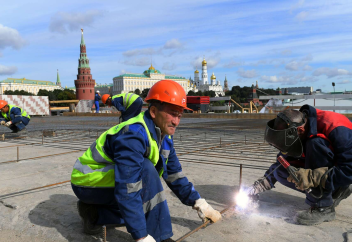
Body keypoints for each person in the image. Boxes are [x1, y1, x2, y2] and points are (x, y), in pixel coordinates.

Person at [71, 80, 221, 242]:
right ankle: (161, 237)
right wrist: (141, 236)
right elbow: (128, 187)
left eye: (179, 115)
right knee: (145, 171)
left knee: (135, 213)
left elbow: (174, 175)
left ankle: (93, 214)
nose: (176, 121)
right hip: (87, 182)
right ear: (154, 112)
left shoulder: (164, 136)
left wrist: (198, 201)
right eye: (172, 113)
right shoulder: (133, 135)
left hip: (104, 181)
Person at [249, 105, 352, 225]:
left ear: (300, 130)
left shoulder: (336, 127)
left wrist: (314, 177)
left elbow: (349, 167)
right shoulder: (298, 128)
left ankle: (324, 208)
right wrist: (263, 183)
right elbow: (283, 161)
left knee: (315, 144)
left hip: (343, 169)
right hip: (330, 170)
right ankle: (335, 191)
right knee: (280, 171)